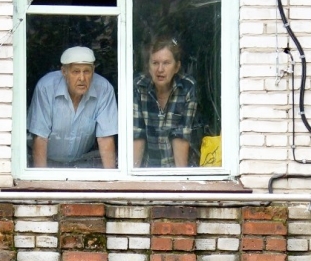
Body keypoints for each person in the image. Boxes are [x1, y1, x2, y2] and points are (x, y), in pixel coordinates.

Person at [27, 46, 118, 169]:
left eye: (86, 71)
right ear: (64, 72)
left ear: (93, 71)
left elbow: (105, 138)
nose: (82, 78)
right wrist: (41, 182)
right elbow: (40, 137)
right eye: (76, 72)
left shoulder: (104, 89)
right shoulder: (46, 88)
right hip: (47, 161)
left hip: (82, 161)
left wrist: (110, 182)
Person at [133, 36, 197, 168]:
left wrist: (180, 183)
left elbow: (181, 136)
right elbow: (137, 134)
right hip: (146, 170)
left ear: (177, 67)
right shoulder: (139, 86)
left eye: (166, 63)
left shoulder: (187, 88)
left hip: (176, 170)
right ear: (148, 66)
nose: (160, 69)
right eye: (155, 63)